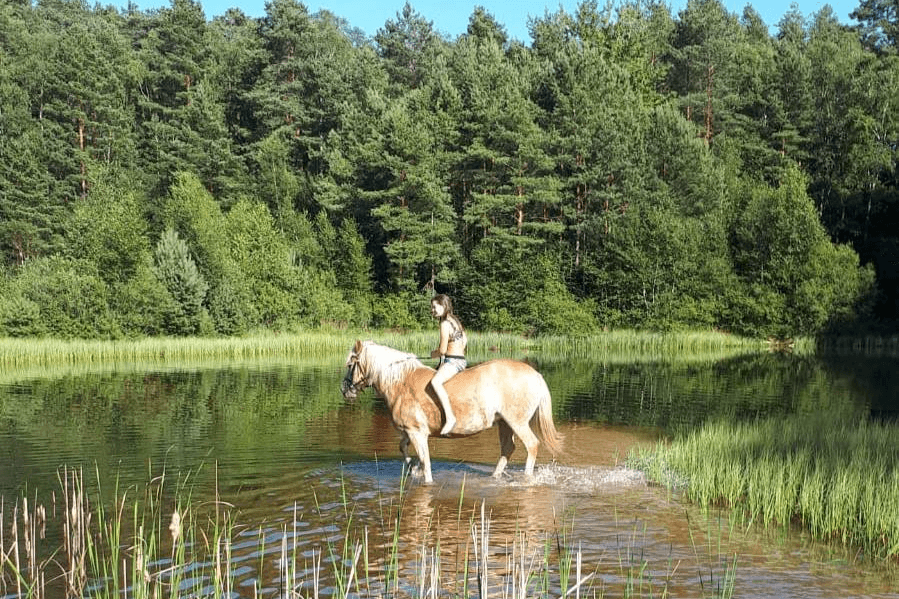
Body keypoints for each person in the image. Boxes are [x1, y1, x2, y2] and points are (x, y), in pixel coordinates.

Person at [429, 294, 467, 435]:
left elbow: (443, 350)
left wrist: (434, 354)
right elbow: (465, 341)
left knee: (436, 382)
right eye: (431, 307)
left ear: (443, 306)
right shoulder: (455, 320)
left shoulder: (444, 323)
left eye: (434, 307)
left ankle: (450, 417)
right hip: (460, 360)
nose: (432, 310)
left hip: (453, 361)